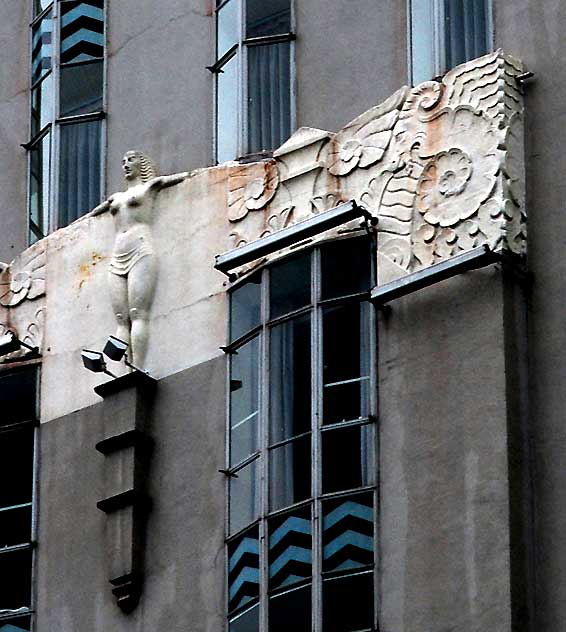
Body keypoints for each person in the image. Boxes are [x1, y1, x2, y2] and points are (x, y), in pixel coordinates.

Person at [89, 151, 188, 369]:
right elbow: (94, 215)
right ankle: (125, 368)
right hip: (117, 255)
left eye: (131, 160)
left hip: (140, 249)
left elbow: (179, 178)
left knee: (137, 313)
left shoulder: (150, 187)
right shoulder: (114, 198)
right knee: (120, 317)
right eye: (123, 161)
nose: (125, 164)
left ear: (141, 164)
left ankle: (139, 366)